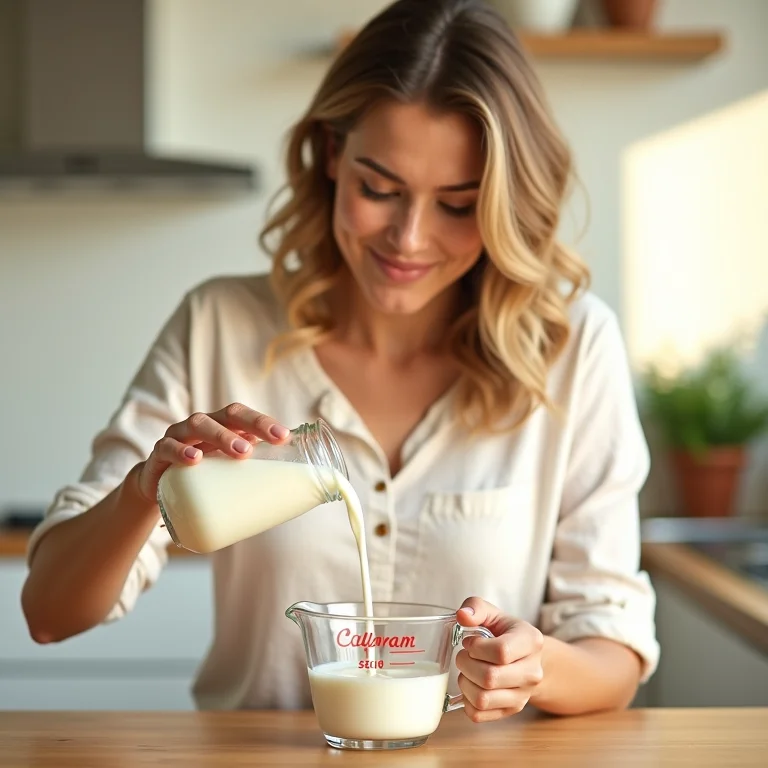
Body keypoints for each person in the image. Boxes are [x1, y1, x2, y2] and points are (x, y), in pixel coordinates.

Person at [21, 0, 659, 720]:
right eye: (379, 189)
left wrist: (534, 666)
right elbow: (50, 614)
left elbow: (614, 649)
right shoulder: (222, 327)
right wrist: (145, 489)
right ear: (331, 154)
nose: (409, 239)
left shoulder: (573, 349)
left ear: (505, 203)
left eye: (457, 205)